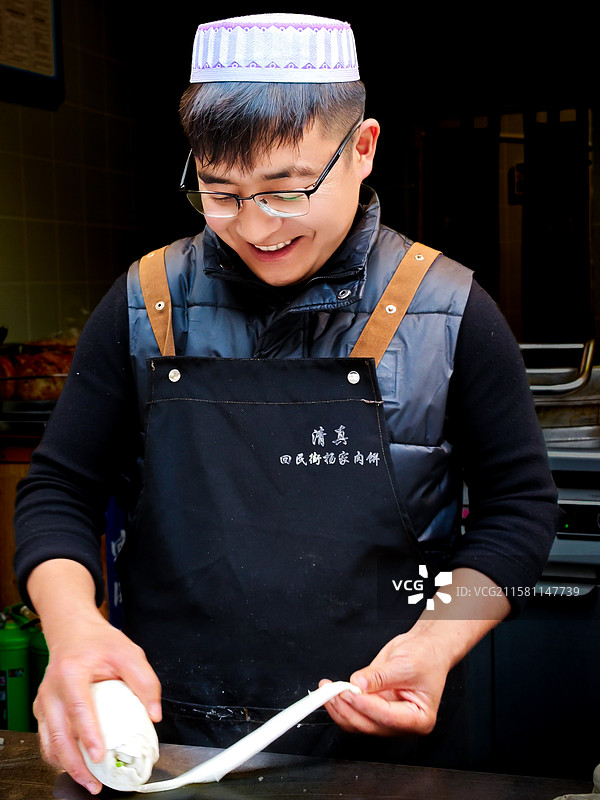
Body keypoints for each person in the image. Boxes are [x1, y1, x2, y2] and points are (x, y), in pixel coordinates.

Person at [14, 13, 558, 796]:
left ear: (362, 149)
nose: (256, 227)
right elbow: (60, 488)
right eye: (220, 193)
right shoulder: (146, 300)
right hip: (168, 740)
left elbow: (519, 511)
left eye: (286, 190)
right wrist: (72, 626)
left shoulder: (448, 309)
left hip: (385, 748)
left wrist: (436, 645)